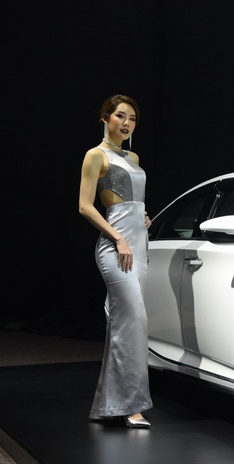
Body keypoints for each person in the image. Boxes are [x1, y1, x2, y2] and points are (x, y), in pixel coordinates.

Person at [79, 94, 153, 428]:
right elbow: (85, 206)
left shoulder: (133, 157)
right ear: (105, 118)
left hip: (139, 246)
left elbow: (132, 202)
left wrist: (142, 217)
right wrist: (119, 238)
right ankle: (130, 406)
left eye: (132, 118)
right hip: (115, 247)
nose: (127, 123)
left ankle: (109, 405)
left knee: (126, 324)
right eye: (120, 116)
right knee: (133, 321)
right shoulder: (95, 155)